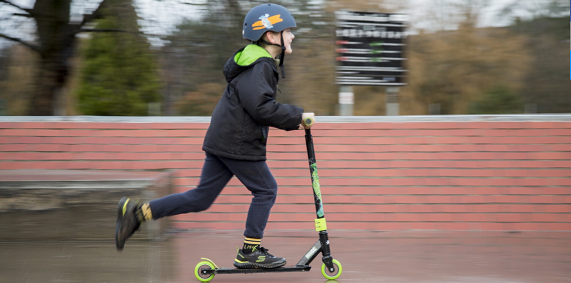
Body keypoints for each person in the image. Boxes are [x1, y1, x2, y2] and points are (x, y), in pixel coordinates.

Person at [115, 3, 314, 269]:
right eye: (288, 31)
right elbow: (261, 107)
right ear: (270, 35)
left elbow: (257, 105)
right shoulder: (261, 64)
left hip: (223, 139)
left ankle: (138, 212)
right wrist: (296, 116)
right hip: (237, 141)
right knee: (266, 190)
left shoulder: (253, 61)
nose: (292, 36)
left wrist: (290, 118)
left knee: (201, 198)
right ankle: (249, 252)